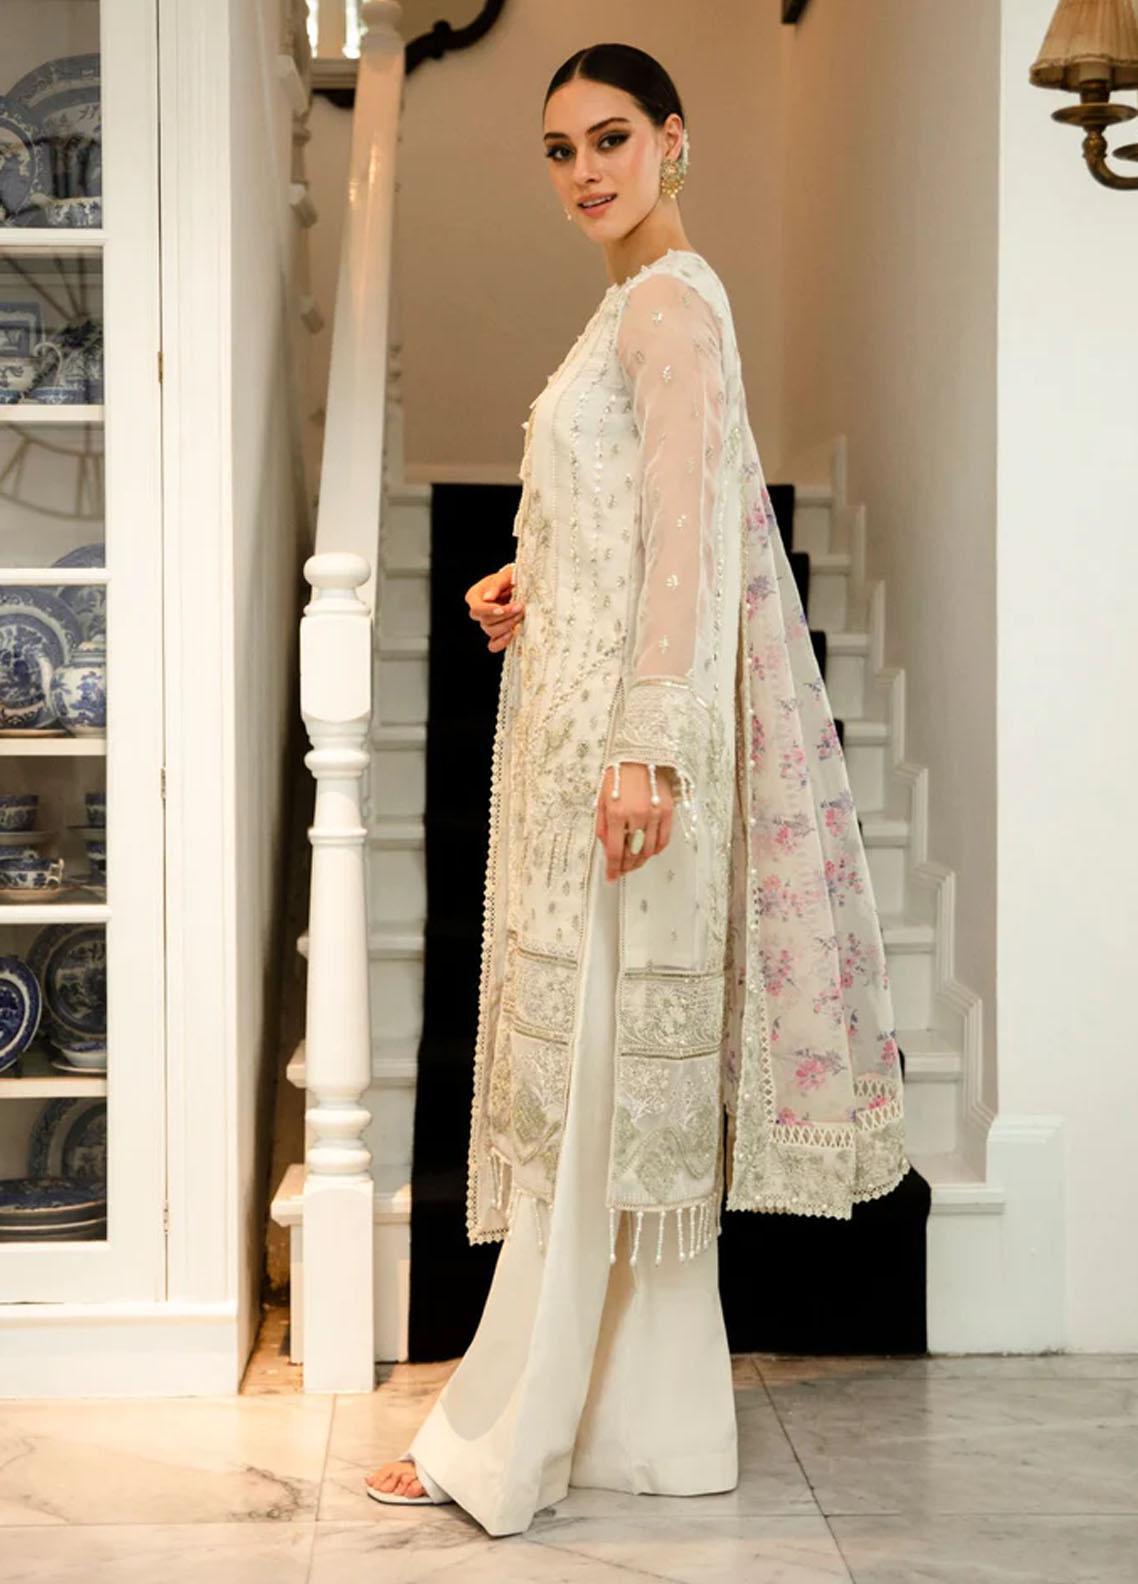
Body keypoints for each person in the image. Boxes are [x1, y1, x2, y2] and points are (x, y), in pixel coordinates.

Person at [366, 41, 910, 1536]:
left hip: (622, 766)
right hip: (591, 740)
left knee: (589, 1110)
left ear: (676, 139)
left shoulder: (669, 303)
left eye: (610, 138)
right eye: (559, 150)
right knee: (594, 1104)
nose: (584, 172)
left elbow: (689, 537)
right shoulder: (635, 308)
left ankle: (502, 1437)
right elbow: (626, 526)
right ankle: (648, 1431)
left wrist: (645, 751)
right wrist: (528, 583)